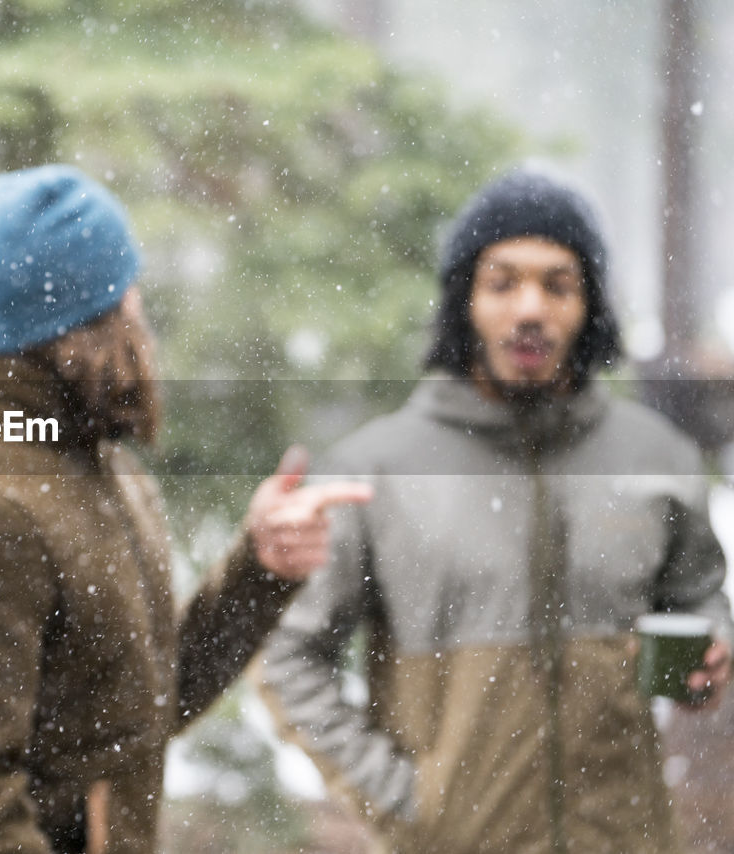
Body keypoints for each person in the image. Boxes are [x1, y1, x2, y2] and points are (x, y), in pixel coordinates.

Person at [0, 164, 373, 854]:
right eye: (124, 295)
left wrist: (257, 568)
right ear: (81, 327)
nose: (141, 313)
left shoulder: (91, 466)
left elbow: (136, 715)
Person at [259, 169, 734, 854]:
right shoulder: (377, 472)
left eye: (558, 283)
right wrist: (403, 801)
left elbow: (699, 597)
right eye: (502, 282)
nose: (531, 308)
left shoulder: (656, 455)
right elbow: (289, 653)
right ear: (464, 302)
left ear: (591, 305)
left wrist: (709, 650)